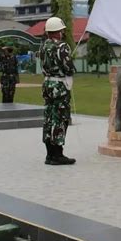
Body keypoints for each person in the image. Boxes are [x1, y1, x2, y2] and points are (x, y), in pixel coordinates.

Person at [40, 17, 76, 165]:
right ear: (58, 31)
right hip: (59, 86)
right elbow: (68, 67)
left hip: (47, 84)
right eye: (61, 30)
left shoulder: (43, 46)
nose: (62, 33)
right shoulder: (62, 46)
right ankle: (57, 154)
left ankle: (49, 154)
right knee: (60, 118)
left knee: (49, 118)